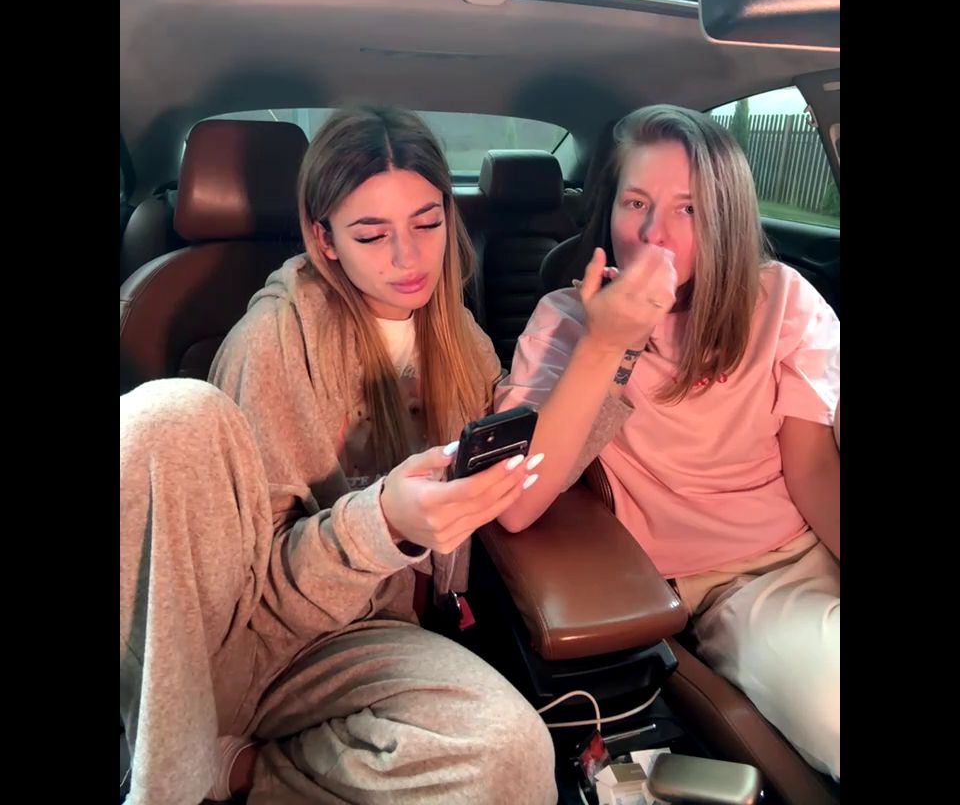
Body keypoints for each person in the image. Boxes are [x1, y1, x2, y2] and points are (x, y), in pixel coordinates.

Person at [120, 106, 554, 805]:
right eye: (372, 234)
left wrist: (611, 349)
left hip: (359, 640)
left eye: (426, 224)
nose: (407, 258)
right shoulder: (272, 342)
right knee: (171, 413)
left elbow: (526, 477)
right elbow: (263, 599)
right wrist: (386, 524)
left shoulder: (461, 339)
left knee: (513, 755)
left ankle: (238, 771)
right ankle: (177, 777)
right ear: (325, 239)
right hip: (239, 641)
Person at [496, 104, 840, 779]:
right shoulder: (563, 322)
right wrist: (608, 344)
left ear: (726, 218)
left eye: (689, 209)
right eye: (636, 204)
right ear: (608, 211)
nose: (656, 233)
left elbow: (813, 470)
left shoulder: (784, 299)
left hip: (810, 548)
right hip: (727, 591)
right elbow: (517, 504)